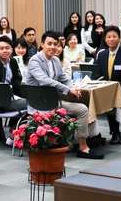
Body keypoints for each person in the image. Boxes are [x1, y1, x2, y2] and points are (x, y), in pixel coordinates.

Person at [25, 31, 104, 159]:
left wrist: (73, 88)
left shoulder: (56, 60)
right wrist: (68, 90)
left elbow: (64, 78)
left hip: (53, 101)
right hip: (39, 103)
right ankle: (72, 144)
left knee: (83, 108)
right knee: (81, 109)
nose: (52, 47)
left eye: (55, 44)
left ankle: (83, 147)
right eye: (49, 43)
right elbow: (44, 80)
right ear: (42, 44)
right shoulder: (35, 60)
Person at [96, 26, 121, 145]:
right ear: (105, 39)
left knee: (112, 100)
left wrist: (112, 90)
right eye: (109, 37)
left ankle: (115, 132)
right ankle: (93, 134)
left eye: (114, 37)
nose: (111, 39)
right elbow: (98, 75)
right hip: (105, 89)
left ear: (119, 38)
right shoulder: (101, 55)